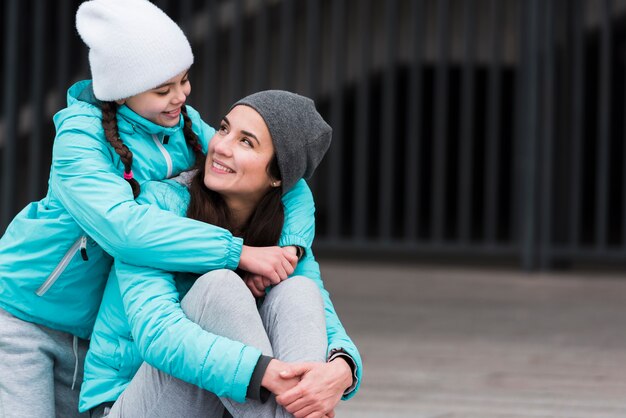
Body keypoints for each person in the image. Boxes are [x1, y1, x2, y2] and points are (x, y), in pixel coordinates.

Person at [0, 2, 318, 417]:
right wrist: (238, 252)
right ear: (122, 90)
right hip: (27, 320)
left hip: (98, 330)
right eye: (162, 89)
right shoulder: (80, 140)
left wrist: (291, 248)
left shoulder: (181, 126)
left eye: (183, 81)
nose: (180, 96)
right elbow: (124, 228)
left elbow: (286, 180)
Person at [80, 90, 362, 418]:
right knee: (220, 287)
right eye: (225, 129)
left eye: (246, 142)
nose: (221, 146)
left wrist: (342, 369)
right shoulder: (158, 209)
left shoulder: (285, 236)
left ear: (276, 176)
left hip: (227, 408)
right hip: (129, 401)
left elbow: (322, 318)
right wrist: (261, 373)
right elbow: (157, 335)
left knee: (298, 290)